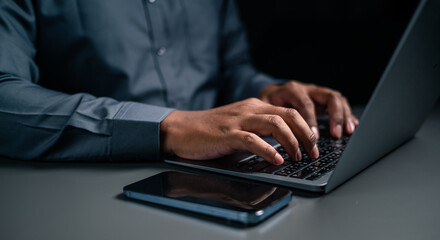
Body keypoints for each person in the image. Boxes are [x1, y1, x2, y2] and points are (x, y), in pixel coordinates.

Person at [0, 0, 358, 165]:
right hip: (96, 183)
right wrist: (170, 126)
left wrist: (266, 92)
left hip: (226, 168)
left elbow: (232, 69)